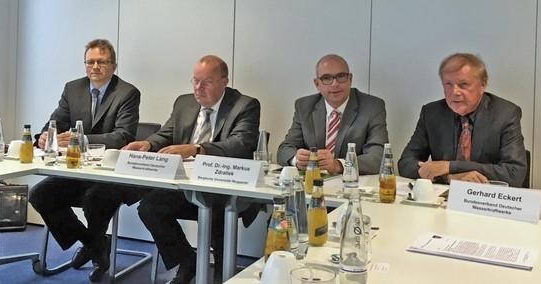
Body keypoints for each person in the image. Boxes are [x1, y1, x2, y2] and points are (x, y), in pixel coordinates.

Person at [124, 55, 260, 284]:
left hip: (223, 185)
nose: (198, 88)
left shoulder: (245, 105)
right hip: (185, 184)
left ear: (224, 81)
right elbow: (167, 133)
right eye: (195, 81)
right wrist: (149, 143)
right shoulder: (184, 102)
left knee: (218, 210)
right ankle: (187, 261)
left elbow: (240, 144)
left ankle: (222, 274)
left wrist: (196, 148)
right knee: (149, 208)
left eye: (206, 82)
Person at [28, 39, 140, 282]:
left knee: (94, 200)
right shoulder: (73, 88)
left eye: (102, 62)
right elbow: (55, 122)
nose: (95, 67)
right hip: (77, 171)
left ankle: (94, 248)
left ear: (114, 66)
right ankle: (96, 243)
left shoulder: (127, 93)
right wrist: (45, 136)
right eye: (90, 62)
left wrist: (80, 139)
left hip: (112, 175)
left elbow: (123, 136)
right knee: (39, 195)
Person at [398, 52, 527, 187]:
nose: (455, 92)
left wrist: (450, 166)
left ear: (483, 85)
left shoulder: (505, 114)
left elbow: (514, 173)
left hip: (487, 200)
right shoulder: (432, 113)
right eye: (448, 84)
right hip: (442, 200)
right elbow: (406, 163)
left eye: (463, 84)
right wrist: (449, 177)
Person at [277, 54, 388, 175]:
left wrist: (339, 165)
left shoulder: (372, 106)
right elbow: (285, 149)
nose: (335, 84)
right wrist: (297, 160)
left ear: (350, 79)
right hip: (313, 183)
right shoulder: (304, 106)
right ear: (317, 84)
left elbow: (378, 157)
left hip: (352, 185)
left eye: (341, 76)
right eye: (326, 78)